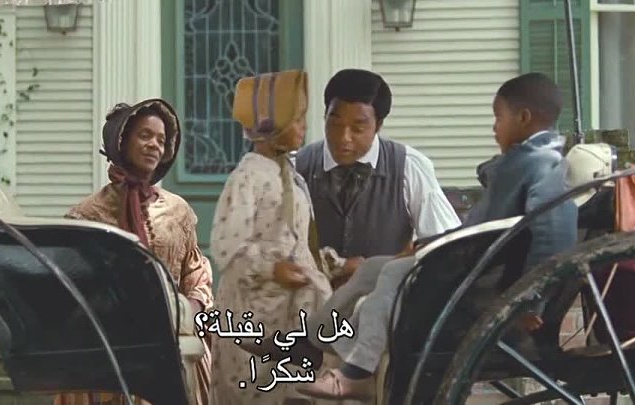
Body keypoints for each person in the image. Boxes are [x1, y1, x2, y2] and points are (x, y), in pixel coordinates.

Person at [245, 72, 579, 400]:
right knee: (373, 268)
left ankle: (357, 371)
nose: (494, 127)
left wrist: (533, 296)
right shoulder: (300, 165)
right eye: (334, 123)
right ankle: (311, 341)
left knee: (392, 272)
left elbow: (553, 231)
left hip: (478, 276)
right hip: (468, 263)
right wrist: (422, 248)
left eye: (499, 118)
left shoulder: (540, 164)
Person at [53, 99, 214, 405]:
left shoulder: (178, 211)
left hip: (171, 340)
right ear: (122, 141)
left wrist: (190, 309)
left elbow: (196, 273)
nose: (154, 145)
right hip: (108, 349)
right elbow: (72, 287)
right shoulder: (87, 215)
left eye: (161, 140)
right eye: (145, 135)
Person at [208, 70, 333, 405]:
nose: (304, 127)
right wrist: (270, 268)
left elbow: (297, 239)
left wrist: (329, 265)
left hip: (291, 310)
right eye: (297, 119)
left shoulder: (290, 176)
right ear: (271, 125)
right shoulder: (247, 178)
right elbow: (227, 246)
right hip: (255, 309)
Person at [295, 68, 461, 288]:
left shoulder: (409, 166)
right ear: (325, 116)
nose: (344, 138)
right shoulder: (297, 166)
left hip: (382, 301)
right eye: (335, 124)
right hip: (313, 302)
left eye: (357, 128)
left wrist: (385, 268)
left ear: (378, 125)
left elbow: (446, 245)